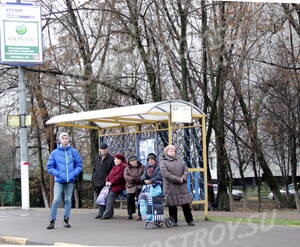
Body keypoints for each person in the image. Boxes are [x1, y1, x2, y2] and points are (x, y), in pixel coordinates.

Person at [46, 132, 82, 230]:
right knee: (56, 199)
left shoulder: (74, 152)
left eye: (66, 138)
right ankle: (52, 221)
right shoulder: (54, 153)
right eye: (63, 138)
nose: (65, 140)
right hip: (59, 180)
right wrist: (58, 173)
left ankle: (66, 220)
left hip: (70, 180)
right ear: (60, 140)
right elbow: (49, 167)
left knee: (68, 200)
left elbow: (79, 166)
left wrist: (73, 173)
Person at [160, 145, 195, 226]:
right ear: (166, 152)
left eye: (174, 150)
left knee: (185, 204)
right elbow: (165, 173)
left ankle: (190, 221)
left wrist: (183, 177)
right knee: (172, 205)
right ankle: (173, 221)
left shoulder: (179, 161)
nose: (173, 152)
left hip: (182, 186)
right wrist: (177, 179)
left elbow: (186, 170)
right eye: (170, 150)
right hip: (170, 186)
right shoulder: (163, 162)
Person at [101, 154, 127, 219]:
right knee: (106, 197)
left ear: (120, 160)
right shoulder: (115, 167)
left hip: (119, 186)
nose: (114, 160)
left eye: (115, 159)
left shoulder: (123, 167)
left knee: (110, 197)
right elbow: (109, 175)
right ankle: (109, 213)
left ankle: (106, 214)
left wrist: (111, 182)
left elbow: (119, 177)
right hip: (112, 185)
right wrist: (107, 180)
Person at [93, 143, 115, 219]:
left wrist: (109, 180)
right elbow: (95, 169)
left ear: (107, 149)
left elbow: (113, 171)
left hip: (106, 181)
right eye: (102, 149)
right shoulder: (97, 158)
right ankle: (101, 212)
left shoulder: (111, 159)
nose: (103, 151)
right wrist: (94, 178)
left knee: (106, 198)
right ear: (100, 150)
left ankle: (109, 213)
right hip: (97, 180)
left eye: (105, 149)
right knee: (100, 198)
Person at [124, 155, 144, 220]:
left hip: (140, 185)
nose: (133, 162)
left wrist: (139, 179)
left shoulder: (142, 166)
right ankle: (130, 214)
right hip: (130, 185)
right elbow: (126, 176)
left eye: (134, 160)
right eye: (131, 161)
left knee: (140, 198)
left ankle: (140, 214)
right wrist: (134, 179)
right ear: (129, 162)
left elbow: (144, 175)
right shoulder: (127, 168)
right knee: (129, 197)